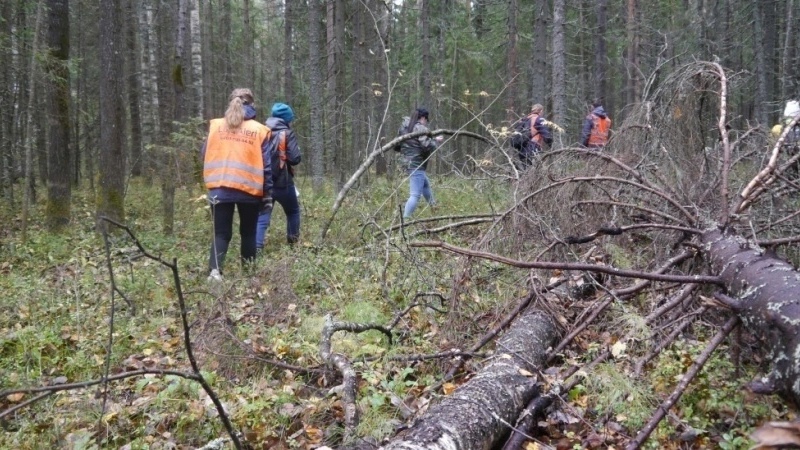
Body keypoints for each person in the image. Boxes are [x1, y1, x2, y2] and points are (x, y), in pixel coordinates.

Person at [202, 88, 273, 281]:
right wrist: (267, 195)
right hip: (249, 190)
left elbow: (204, 154)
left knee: (221, 233)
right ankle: (249, 276)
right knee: (248, 233)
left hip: (219, 187)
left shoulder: (216, 126)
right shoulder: (259, 130)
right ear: (252, 104)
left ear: (230, 102)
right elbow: (267, 166)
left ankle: (215, 274)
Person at [256, 103, 302, 247]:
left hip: (263, 181)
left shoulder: (260, 130)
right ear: (287, 119)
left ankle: (256, 249)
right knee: (293, 211)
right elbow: (295, 159)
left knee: (262, 216)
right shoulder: (287, 133)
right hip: (283, 182)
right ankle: (292, 245)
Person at [396, 107, 443, 219]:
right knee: (415, 195)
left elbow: (397, 146)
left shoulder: (405, 127)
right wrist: (436, 140)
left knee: (425, 185)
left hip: (406, 162)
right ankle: (405, 220)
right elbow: (427, 145)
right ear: (423, 118)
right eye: (426, 120)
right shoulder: (420, 128)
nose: (426, 122)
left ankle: (434, 207)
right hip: (416, 164)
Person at [515, 103, 553, 168]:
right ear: (541, 111)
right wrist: (552, 145)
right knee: (534, 172)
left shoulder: (524, 120)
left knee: (526, 170)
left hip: (521, 150)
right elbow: (547, 137)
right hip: (532, 149)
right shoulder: (538, 120)